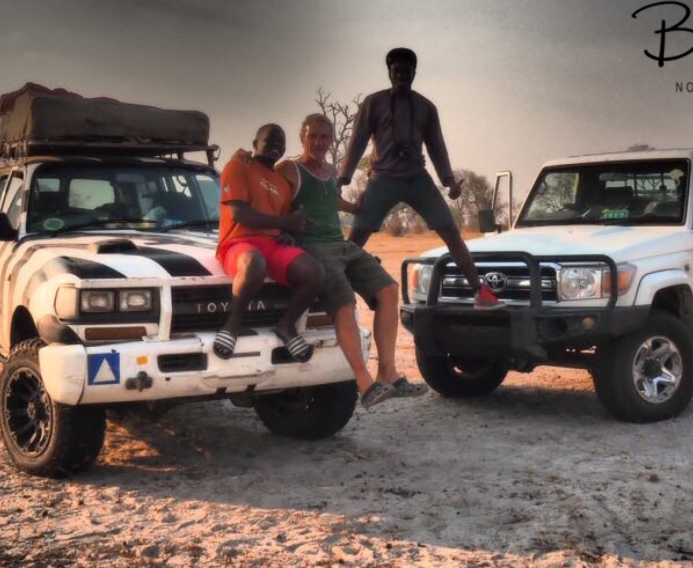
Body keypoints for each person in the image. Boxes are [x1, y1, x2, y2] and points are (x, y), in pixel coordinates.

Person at [274, 113, 428, 408]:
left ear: (331, 140)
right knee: (345, 303)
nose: (318, 142)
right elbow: (270, 198)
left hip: (340, 243)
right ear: (302, 138)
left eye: (324, 137)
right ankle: (365, 383)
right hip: (314, 247)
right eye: (313, 136)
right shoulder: (289, 169)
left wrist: (356, 207)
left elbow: (330, 200)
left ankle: (388, 373)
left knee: (389, 290)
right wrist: (282, 231)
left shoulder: (330, 170)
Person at [338, 47, 502, 309]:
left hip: (417, 178)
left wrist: (448, 180)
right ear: (389, 72)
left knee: (451, 232)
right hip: (382, 178)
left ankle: (480, 292)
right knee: (356, 238)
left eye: (407, 71)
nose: (402, 75)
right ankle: (334, 291)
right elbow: (356, 142)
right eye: (397, 71)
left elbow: (436, 145)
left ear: (415, 73)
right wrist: (342, 179)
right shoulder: (373, 103)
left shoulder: (426, 107)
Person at [215, 124, 323, 363]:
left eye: (280, 143)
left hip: (272, 244)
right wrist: (285, 223)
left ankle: (286, 326)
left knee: (314, 271)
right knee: (255, 264)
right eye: (269, 141)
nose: (275, 146)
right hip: (238, 242)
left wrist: (288, 232)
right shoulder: (238, 166)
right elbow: (240, 214)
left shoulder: (282, 183)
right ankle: (232, 325)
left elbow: (285, 222)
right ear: (255, 144)